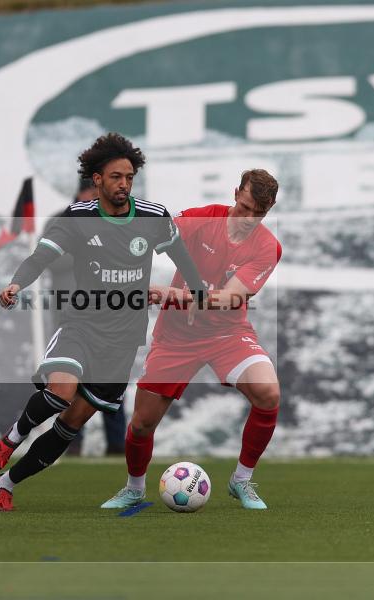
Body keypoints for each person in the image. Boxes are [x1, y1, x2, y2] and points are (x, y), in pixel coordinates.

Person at [0, 132, 208, 511]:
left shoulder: (153, 217)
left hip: (122, 341)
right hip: (81, 326)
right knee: (60, 392)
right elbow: (40, 257)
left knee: (71, 424)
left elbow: (182, 256)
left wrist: (198, 291)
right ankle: (11, 438)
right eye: (116, 177)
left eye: (129, 177)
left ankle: (6, 484)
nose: (124, 184)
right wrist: (16, 283)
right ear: (98, 180)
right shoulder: (76, 219)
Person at [101, 169, 281, 511]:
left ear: (269, 209)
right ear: (234, 194)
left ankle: (241, 481)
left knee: (268, 393)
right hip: (177, 337)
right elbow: (152, 236)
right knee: (142, 424)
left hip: (227, 334)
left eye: (257, 213)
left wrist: (171, 294)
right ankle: (134, 488)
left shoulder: (268, 247)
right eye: (243, 207)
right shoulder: (202, 219)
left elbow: (231, 298)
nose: (247, 218)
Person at [46, 178, 128, 456]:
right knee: (71, 381)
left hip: (109, 318)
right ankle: (70, 444)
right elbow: (49, 258)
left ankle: (117, 446)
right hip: (72, 317)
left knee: (110, 381)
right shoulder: (62, 221)